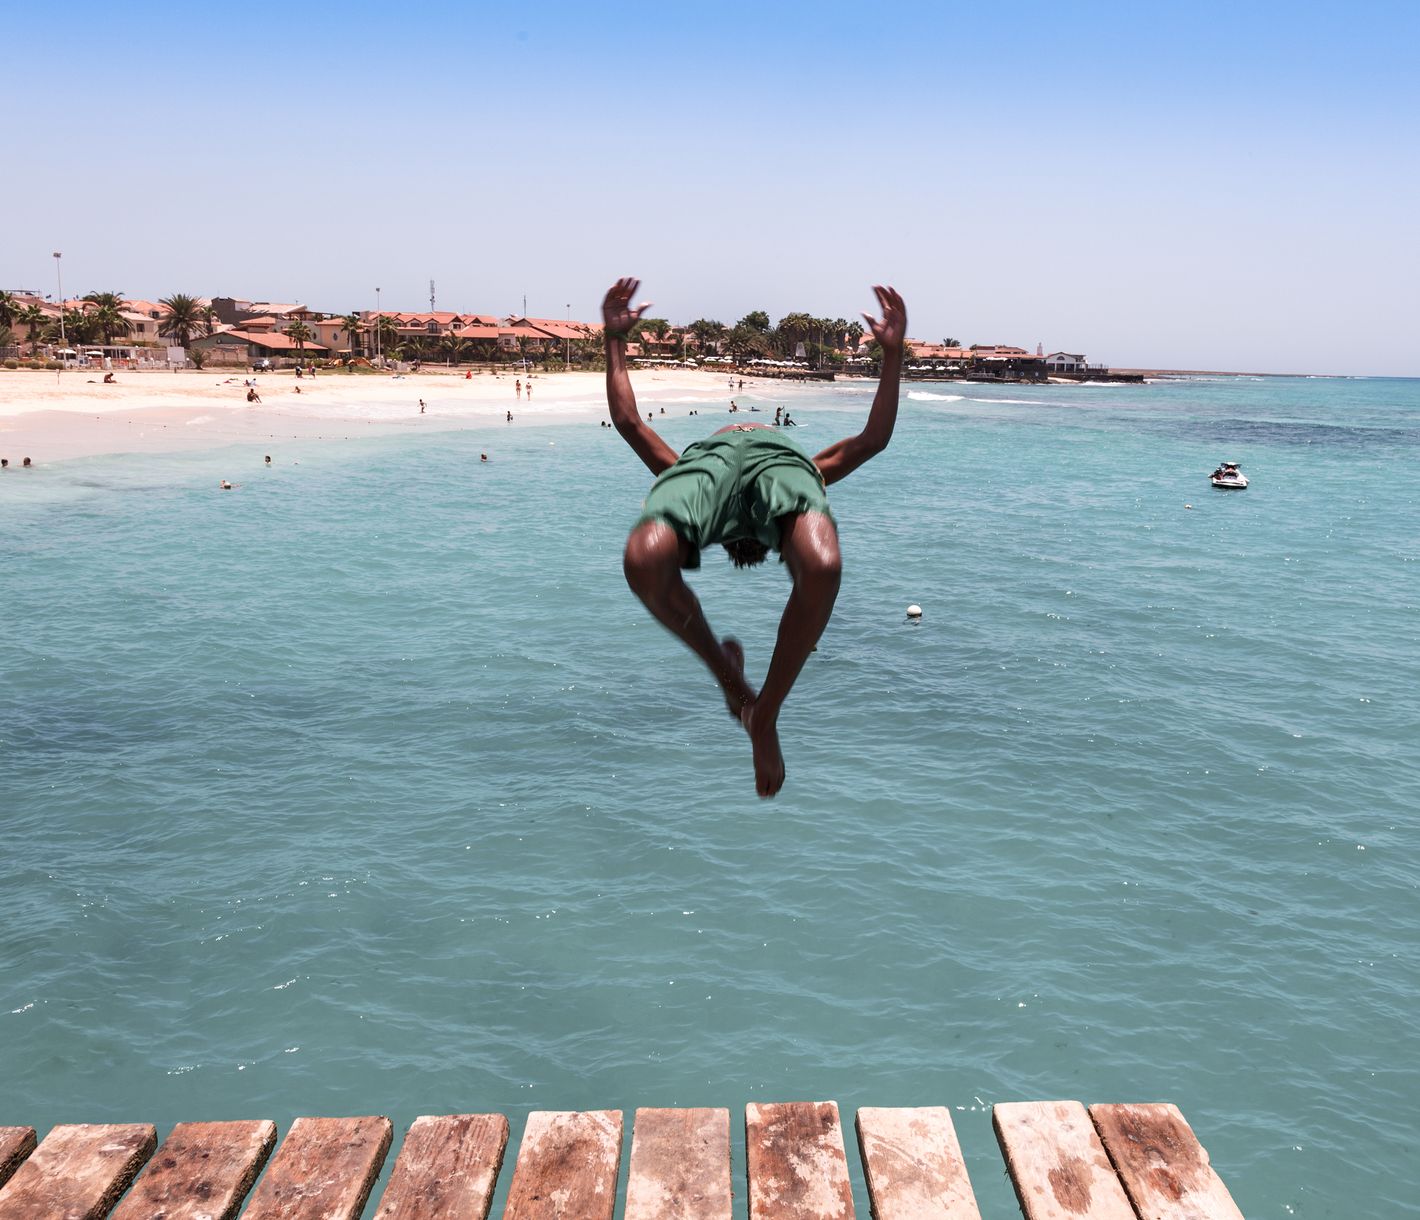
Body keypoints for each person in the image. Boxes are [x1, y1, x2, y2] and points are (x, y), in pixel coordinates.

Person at [603, 276, 906, 798]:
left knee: (645, 557)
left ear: (725, 530)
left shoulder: (688, 466)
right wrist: (892, 356)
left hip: (713, 466)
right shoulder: (803, 466)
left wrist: (614, 341)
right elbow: (873, 440)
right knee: (823, 566)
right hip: (776, 469)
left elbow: (630, 422)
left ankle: (752, 705)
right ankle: (742, 692)